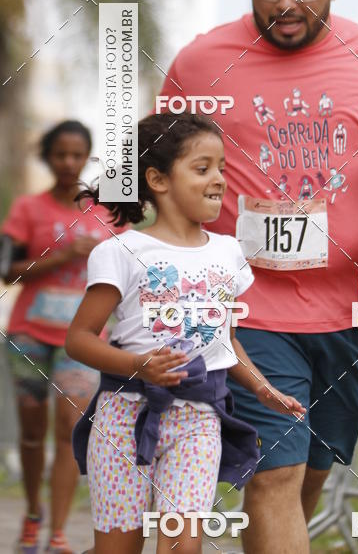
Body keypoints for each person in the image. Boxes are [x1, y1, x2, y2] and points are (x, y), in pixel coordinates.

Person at [159, 0, 358, 554]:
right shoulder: (201, 63)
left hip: (345, 312)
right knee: (275, 472)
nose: (285, 5)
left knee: (309, 471)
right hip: (246, 305)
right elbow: (144, 162)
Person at [65, 112, 305, 554]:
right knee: (117, 548)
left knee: (182, 546)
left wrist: (262, 386)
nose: (218, 180)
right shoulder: (121, 251)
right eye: (202, 168)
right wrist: (137, 366)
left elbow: (225, 341)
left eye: (222, 169)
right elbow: (78, 339)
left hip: (199, 420)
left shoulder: (229, 253)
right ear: (157, 179)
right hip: (122, 418)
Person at [0, 120, 125, 554]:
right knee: (32, 432)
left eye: (78, 155)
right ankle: (33, 513)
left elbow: (133, 268)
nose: (69, 162)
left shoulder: (109, 212)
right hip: (29, 336)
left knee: (70, 428)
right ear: (48, 158)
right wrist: (58, 256)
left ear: (88, 159)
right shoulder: (27, 210)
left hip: (85, 338)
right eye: (60, 154)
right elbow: (6, 270)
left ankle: (57, 532)